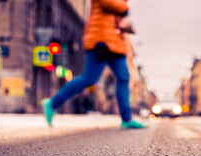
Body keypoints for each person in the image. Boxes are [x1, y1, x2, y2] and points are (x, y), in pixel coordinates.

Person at [42, 0, 147, 129]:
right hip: (100, 40)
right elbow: (111, 4)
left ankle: (126, 118)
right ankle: (53, 103)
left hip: (115, 41)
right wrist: (125, 5)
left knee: (123, 77)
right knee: (89, 78)